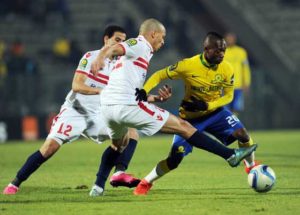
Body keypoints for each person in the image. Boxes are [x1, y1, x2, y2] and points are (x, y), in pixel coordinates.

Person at [90, 19, 257, 196]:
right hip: (126, 106)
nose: (163, 42)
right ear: (153, 34)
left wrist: (152, 96)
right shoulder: (139, 44)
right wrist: (100, 57)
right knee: (183, 127)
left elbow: (129, 85)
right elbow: (115, 48)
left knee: (118, 145)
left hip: (109, 107)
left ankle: (97, 187)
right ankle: (230, 155)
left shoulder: (140, 55)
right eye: (162, 38)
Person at [2, 25, 139, 195]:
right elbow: (77, 85)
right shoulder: (91, 57)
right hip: (76, 111)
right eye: (117, 40)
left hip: (100, 114)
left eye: (123, 41)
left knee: (130, 132)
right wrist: (100, 91)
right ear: (106, 39)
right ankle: (14, 183)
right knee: (49, 148)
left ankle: (106, 181)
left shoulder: (121, 66)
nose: (120, 44)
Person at [133, 32, 259, 195]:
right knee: (174, 160)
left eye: (223, 50)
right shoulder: (188, 65)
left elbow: (229, 95)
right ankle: (146, 182)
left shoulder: (227, 68)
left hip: (215, 113)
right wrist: (145, 90)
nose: (222, 54)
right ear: (206, 49)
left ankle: (252, 168)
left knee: (242, 134)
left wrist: (208, 105)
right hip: (189, 120)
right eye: (218, 51)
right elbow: (160, 74)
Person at [224, 32, 251, 115]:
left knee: (237, 108)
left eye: (231, 38)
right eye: (228, 39)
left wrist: (246, 82)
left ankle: (234, 126)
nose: (230, 40)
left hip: (239, 85)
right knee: (226, 108)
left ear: (235, 40)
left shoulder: (241, 52)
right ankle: (228, 126)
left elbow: (245, 68)